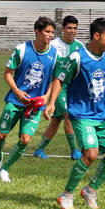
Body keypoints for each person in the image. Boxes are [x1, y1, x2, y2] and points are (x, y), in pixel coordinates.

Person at [47, 18, 105, 209]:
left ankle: (90, 190)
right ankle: (66, 195)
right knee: (90, 153)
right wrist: (52, 103)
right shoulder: (77, 57)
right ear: (97, 36)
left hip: (103, 115)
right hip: (81, 115)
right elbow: (59, 79)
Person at [0, 17, 59, 182]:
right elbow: (8, 73)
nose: (50, 35)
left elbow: (56, 79)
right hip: (15, 101)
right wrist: (17, 91)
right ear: (37, 31)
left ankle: (5, 169)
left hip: (35, 105)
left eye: (52, 32)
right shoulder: (21, 49)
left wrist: (46, 96)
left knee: (25, 139)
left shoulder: (55, 54)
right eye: (47, 32)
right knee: (1, 135)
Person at [33, 16, 84, 160]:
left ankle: (39, 149)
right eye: (69, 28)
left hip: (72, 88)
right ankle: (74, 151)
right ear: (63, 29)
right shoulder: (53, 45)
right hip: (57, 85)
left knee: (56, 121)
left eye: (75, 28)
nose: (72, 31)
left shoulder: (80, 46)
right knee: (68, 114)